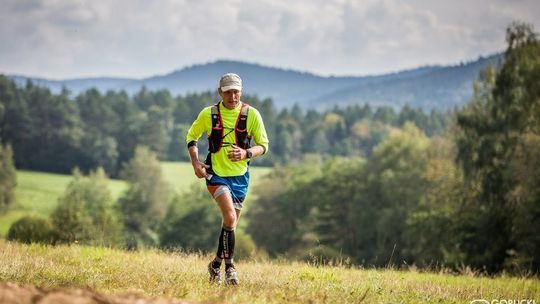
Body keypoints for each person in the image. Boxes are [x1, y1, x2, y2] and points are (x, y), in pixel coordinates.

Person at [185, 73, 269, 285]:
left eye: (236, 92)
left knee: (230, 225)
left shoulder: (252, 115)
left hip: (240, 177)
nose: (233, 96)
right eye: (228, 92)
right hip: (216, 174)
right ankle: (230, 268)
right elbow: (191, 137)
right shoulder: (208, 114)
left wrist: (246, 153)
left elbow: (263, 146)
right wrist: (196, 163)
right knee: (230, 218)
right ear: (220, 92)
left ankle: (214, 265)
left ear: (241, 91)